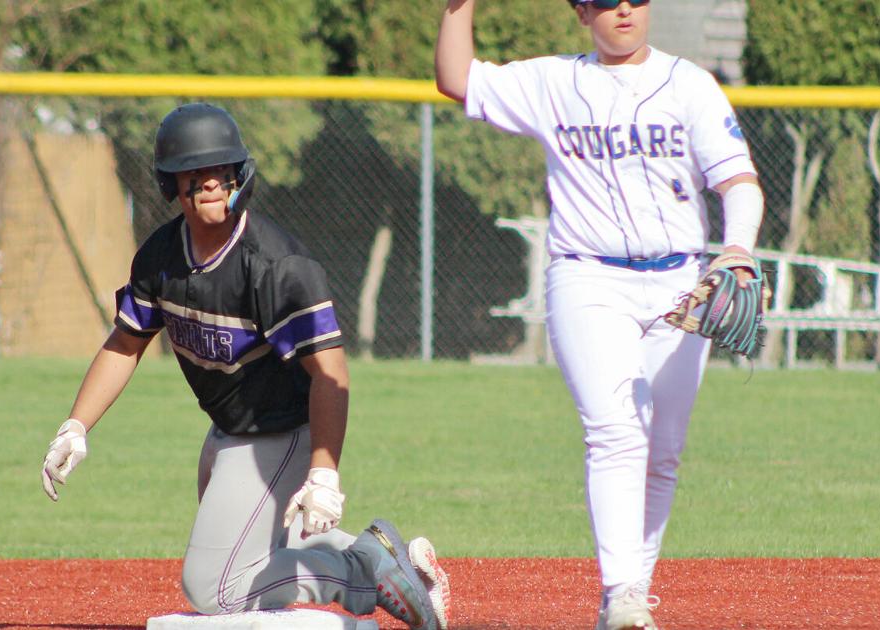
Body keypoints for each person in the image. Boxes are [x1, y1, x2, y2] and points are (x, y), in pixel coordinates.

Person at [40, 103, 449, 630]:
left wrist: (324, 473)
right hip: (228, 433)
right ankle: (374, 554)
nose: (209, 184)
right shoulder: (161, 256)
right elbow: (125, 343)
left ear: (240, 177)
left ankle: (365, 576)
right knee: (242, 555)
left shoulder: (278, 266)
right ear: (173, 185)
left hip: (283, 431)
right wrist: (76, 425)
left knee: (215, 588)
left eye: (220, 172)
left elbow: (332, 375)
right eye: (194, 174)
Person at [436, 1, 765, 629]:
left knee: (663, 448)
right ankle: (621, 594)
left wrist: (738, 247)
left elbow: (738, 181)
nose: (622, 10)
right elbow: (458, 78)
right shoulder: (556, 81)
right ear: (580, 10)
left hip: (681, 281)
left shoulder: (690, 84)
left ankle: (631, 595)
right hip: (588, 276)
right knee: (616, 430)